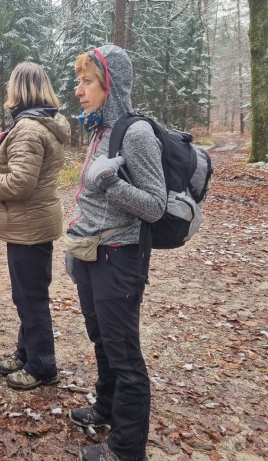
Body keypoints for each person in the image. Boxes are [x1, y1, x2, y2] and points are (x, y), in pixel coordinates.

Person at [64, 45, 166, 461]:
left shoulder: (136, 133)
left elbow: (155, 206)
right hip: (91, 253)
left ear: (112, 86)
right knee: (102, 340)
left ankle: (126, 450)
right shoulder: (98, 129)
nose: (79, 90)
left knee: (124, 352)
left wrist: (111, 185)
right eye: (79, 81)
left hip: (120, 256)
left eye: (87, 82)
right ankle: (105, 409)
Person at [0, 62, 69, 389]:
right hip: (35, 222)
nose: (7, 92)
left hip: (29, 224)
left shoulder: (29, 128)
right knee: (29, 294)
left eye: (11, 85)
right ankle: (27, 351)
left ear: (21, 89)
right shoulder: (44, 122)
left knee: (30, 297)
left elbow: (19, 184)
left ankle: (44, 364)